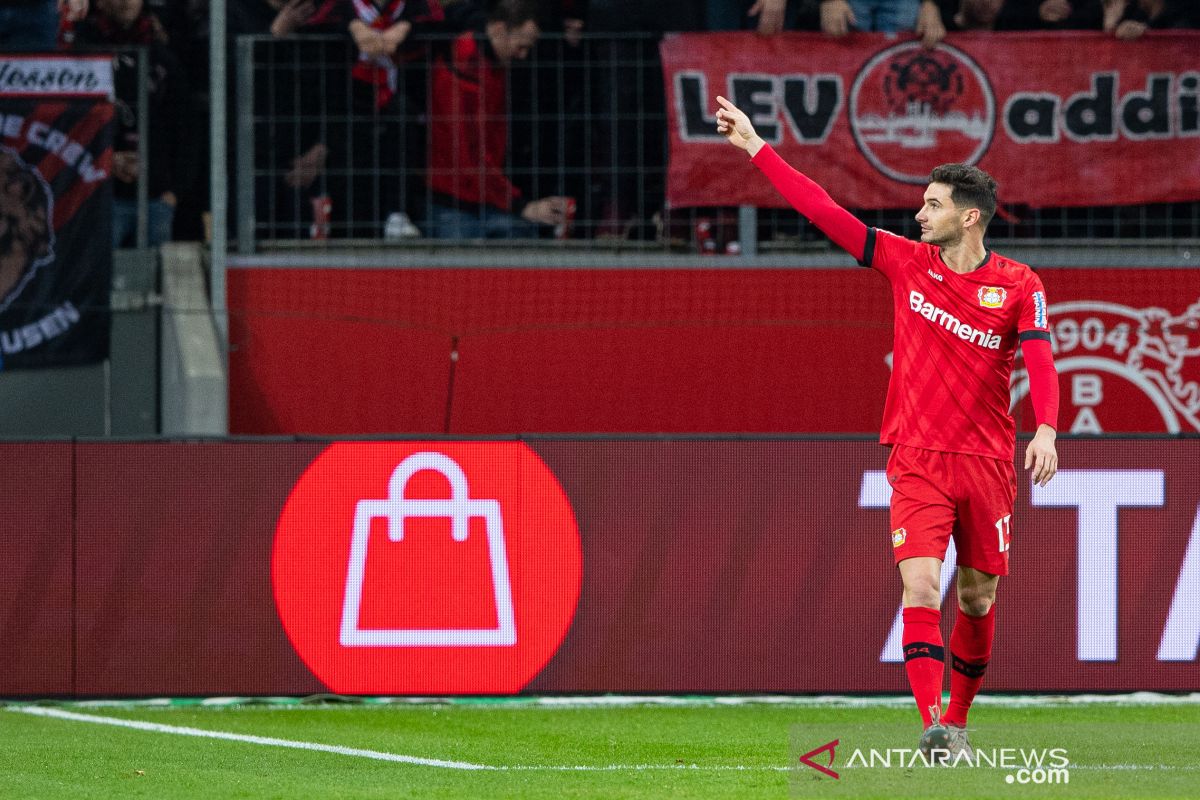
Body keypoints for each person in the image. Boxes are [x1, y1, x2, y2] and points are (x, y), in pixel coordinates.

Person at [715, 95, 1061, 761]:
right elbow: (823, 211)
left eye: (931, 205)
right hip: (917, 457)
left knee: (978, 597)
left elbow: (1041, 359)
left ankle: (958, 721)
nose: (918, 214)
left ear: (968, 217)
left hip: (987, 461)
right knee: (921, 586)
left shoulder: (1019, 284)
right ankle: (933, 723)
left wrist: (1045, 429)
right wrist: (757, 146)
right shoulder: (905, 263)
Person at [425, 0, 571, 238]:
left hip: (480, 198)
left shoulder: (489, 63)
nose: (523, 56)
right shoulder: (467, 65)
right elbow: (469, 154)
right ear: (499, 29)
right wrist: (522, 205)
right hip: (455, 203)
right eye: (521, 46)